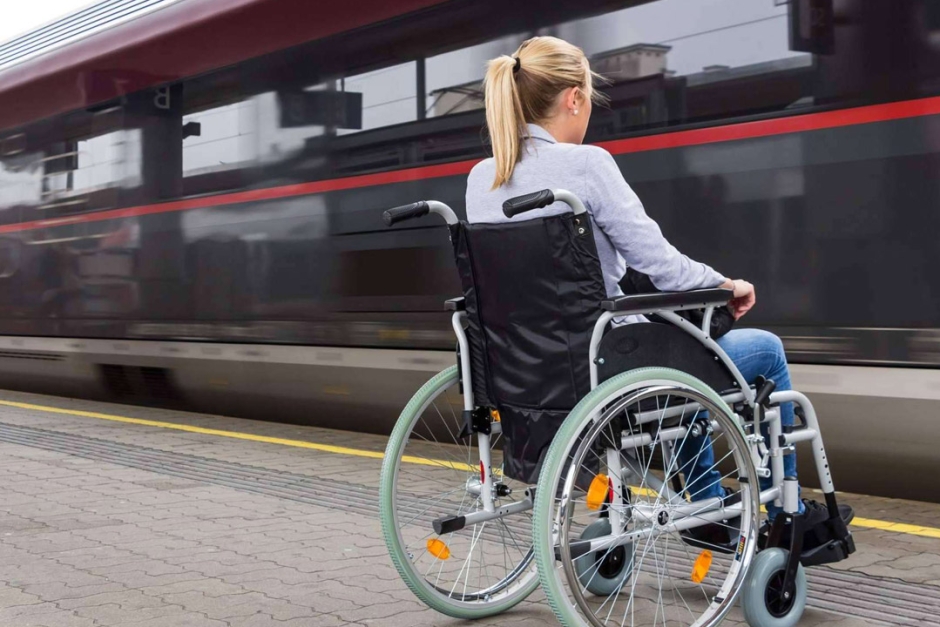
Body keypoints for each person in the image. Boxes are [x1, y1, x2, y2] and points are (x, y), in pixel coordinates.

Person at [465, 36, 852, 538]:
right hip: (605, 367)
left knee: (680, 352)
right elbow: (658, 263)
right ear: (574, 98)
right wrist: (723, 285)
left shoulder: (482, 178)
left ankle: (709, 505)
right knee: (762, 351)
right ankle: (788, 517)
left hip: (526, 376)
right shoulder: (587, 165)